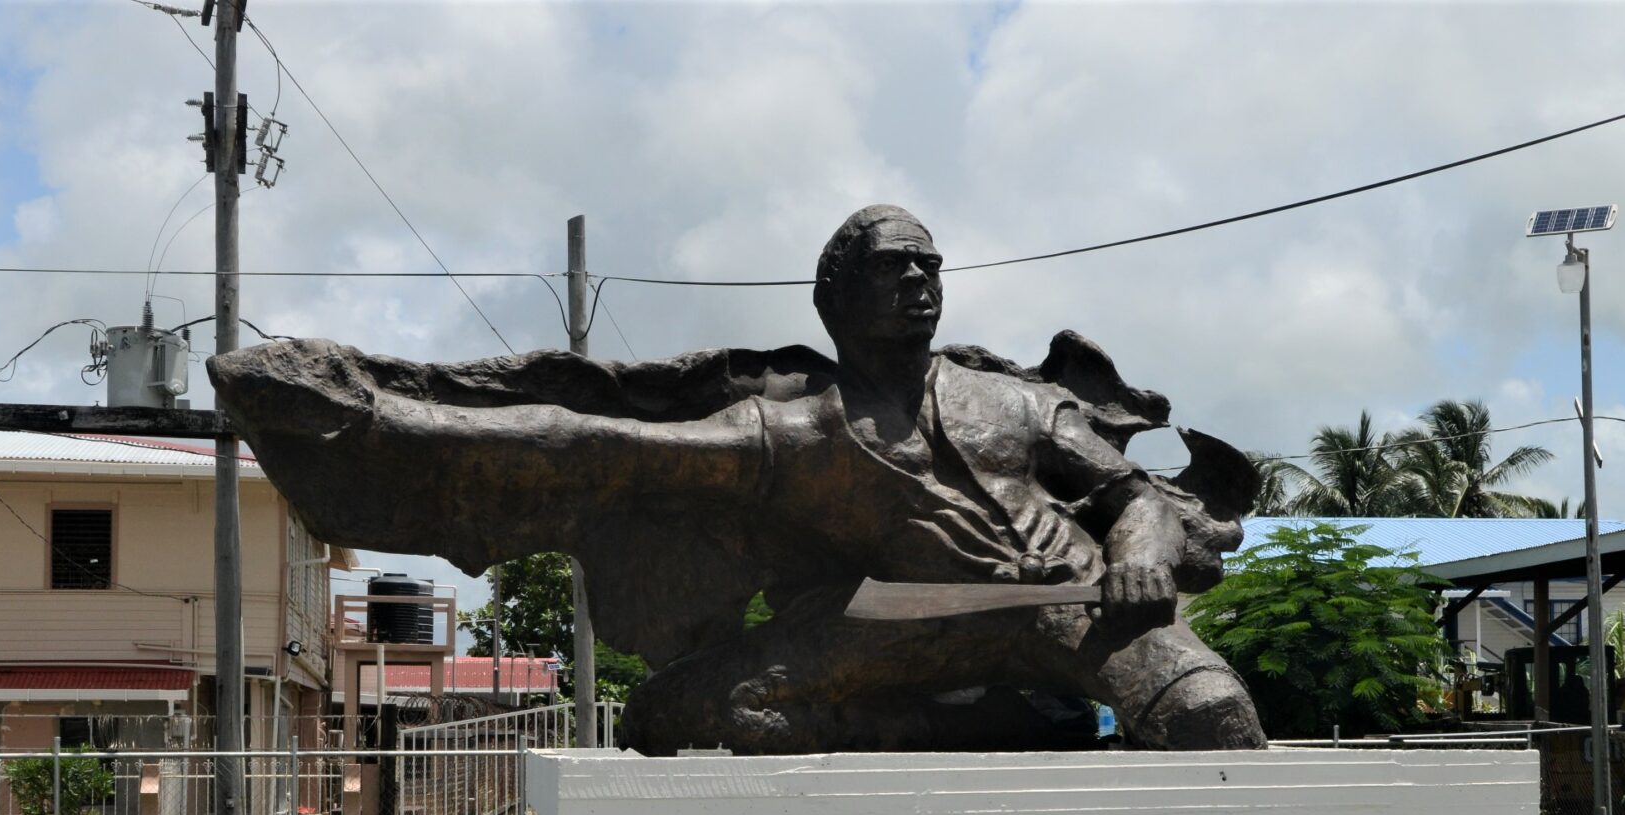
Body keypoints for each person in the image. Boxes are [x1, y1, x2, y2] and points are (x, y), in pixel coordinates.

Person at [211, 205, 1264, 753]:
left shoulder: (1019, 404)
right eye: (890, 266)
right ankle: (946, 725)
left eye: (927, 266)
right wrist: (382, 413)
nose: (915, 282)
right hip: (898, 623)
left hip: (1075, 611)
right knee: (668, 716)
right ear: (833, 296)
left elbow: (1130, 495)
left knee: (1213, 714)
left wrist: (1132, 560)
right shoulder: (792, 432)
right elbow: (588, 438)